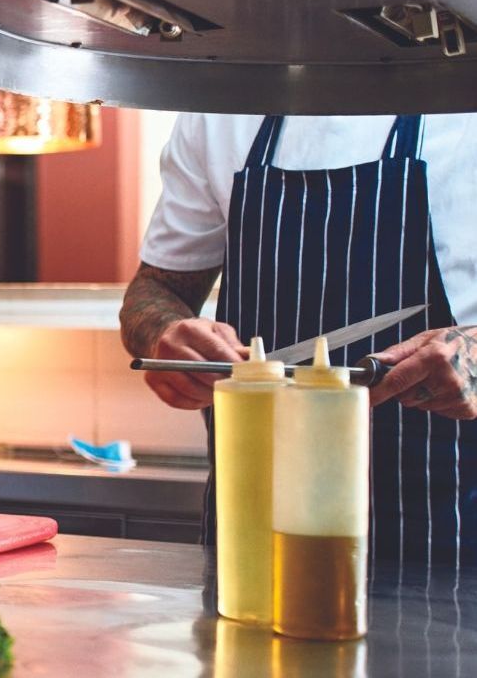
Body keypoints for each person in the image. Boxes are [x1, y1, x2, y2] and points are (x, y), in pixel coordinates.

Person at [124, 112, 477, 563]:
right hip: (255, 539)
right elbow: (155, 290)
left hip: (444, 533)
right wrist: (164, 336)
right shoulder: (218, 108)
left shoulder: (463, 96)